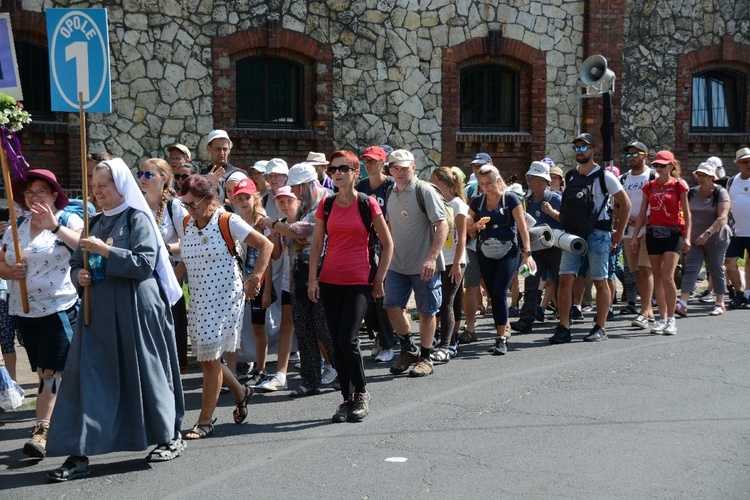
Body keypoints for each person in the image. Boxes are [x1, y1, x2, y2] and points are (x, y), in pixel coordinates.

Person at [45, 158, 184, 481]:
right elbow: (78, 261)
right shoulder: (92, 223)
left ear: (121, 187)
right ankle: (78, 452)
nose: (97, 192)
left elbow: (144, 264)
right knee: (87, 378)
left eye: (103, 186)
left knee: (145, 373)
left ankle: (168, 435)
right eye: (93, 187)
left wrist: (106, 253)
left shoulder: (138, 220)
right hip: (99, 313)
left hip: (137, 309)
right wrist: (78, 274)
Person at [177, 174, 272, 438]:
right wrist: (171, 288)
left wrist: (255, 277)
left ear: (210, 200)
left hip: (225, 296)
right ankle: (241, 392)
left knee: (208, 360)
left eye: (193, 204)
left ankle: (205, 421)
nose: (189, 209)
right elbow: (185, 260)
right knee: (208, 359)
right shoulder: (187, 222)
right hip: (198, 297)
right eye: (185, 204)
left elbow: (265, 244)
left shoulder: (227, 220)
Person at [0, 169, 83, 459]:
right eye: (29, 193)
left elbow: (85, 249)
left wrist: (55, 227)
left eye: (41, 192)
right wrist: (10, 271)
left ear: (53, 195)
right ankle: (61, 418)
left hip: (59, 307)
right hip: (24, 311)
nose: (34, 197)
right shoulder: (15, 226)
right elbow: (1, 261)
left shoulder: (68, 220)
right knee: (42, 370)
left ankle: (42, 430)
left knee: (50, 372)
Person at [309, 150, 393, 422]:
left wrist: (378, 279)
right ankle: (346, 398)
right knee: (336, 343)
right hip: (330, 280)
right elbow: (317, 244)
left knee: (348, 339)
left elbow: (388, 244)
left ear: (356, 173)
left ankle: (362, 393)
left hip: (359, 280)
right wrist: (312, 278)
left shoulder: (367, 204)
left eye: (344, 168)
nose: (337, 173)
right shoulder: (327, 204)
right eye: (333, 169)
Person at [550, 133, 631, 344]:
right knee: (566, 278)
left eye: (584, 147)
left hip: (599, 233)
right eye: (576, 148)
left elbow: (626, 203)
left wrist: (619, 232)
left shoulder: (605, 176)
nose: (579, 151)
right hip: (572, 234)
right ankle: (564, 326)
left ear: (593, 150)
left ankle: (600, 326)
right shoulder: (570, 176)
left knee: (599, 280)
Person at [273, 163, 336, 396]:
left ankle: (342, 372)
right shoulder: (302, 206)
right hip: (297, 274)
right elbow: (288, 241)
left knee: (324, 327)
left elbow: (301, 230)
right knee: (303, 328)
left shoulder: (326, 202)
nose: (295, 193)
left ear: (309, 184)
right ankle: (311, 379)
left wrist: (275, 225)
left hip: (323, 272)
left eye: (298, 188)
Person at [384, 149, 448, 377]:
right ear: (389, 170)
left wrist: (431, 258)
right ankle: (408, 348)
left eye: (404, 167)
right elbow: (390, 226)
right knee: (391, 307)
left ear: (413, 167)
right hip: (397, 264)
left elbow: (442, 225)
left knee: (426, 312)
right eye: (394, 168)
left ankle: (426, 356)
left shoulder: (425, 190)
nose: (399, 172)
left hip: (424, 264)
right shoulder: (391, 190)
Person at [468, 165, 536, 355]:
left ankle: (501, 338)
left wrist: (527, 253)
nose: (485, 187)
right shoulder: (478, 202)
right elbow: (466, 227)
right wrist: (475, 226)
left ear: (498, 181)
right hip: (485, 250)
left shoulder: (510, 198)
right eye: (481, 184)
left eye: (489, 183)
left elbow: (523, 227)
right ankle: (502, 328)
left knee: (498, 292)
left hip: (509, 251)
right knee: (492, 293)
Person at [630, 150, 691, 335]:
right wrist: (634, 237)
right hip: (653, 233)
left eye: (662, 165)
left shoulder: (679, 185)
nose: (658, 168)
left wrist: (687, 237)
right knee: (656, 277)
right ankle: (662, 319)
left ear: (671, 166)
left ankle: (672, 319)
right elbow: (642, 213)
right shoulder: (650, 186)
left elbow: (687, 213)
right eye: (656, 165)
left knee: (667, 277)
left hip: (673, 234)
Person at [139, 158, 189, 370]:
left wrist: (165, 251)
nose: (142, 178)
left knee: (172, 324)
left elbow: (189, 240)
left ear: (164, 179)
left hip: (169, 276)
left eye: (149, 175)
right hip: (143, 277)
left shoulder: (173, 206)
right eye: (140, 174)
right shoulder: (135, 205)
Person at [231, 178, 277, 387]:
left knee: (258, 327)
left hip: (260, 281)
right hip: (238, 281)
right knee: (236, 326)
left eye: (247, 197)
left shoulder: (262, 221)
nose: (243, 201)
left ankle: (261, 369)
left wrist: (267, 290)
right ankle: (235, 370)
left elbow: (272, 257)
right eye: (239, 198)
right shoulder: (233, 220)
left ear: (255, 197)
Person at [256, 159, 296, 392]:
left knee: (316, 325)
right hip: (286, 275)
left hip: (309, 276)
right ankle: (281, 373)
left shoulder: (308, 215)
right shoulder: (264, 202)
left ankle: (330, 365)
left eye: (287, 200)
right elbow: (276, 251)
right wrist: (273, 232)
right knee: (287, 322)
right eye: (269, 176)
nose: (282, 204)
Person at [355, 145, 397, 362]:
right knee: (368, 299)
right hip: (366, 248)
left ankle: (388, 343)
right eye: (366, 161)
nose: (369, 165)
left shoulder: (390, 186)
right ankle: (379, 337)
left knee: (382, 298)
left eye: (373, 161)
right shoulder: (361, 186)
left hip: (388, 248)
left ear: (383, 163)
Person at [510, 161, 562, 335]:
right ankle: (526, 319)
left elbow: (568, 221)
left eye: (533, 177)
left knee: (560, 282)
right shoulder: (527, 200)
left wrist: (553, 213)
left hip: (555, 248)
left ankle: (565, 317)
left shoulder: (554, 198)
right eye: (529, 177)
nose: (530, 180)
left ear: (543, 180)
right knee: (531, 283)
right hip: (535, 250)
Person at [676, 162, 730, 317]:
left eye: (704, 175)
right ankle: (683, 303)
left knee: (715, 268)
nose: (700, 178)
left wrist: (707, 234)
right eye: (699, 174)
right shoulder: (691, 193)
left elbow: (722, 217)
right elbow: (683, 212)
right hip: (695, 239)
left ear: (712, 177)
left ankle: (720, 302)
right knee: (691, 268)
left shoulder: (720, 192)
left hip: (716, 238)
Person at [430, 166, 468, 361]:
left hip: (455, 261)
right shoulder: (439, 203)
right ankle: (450, 339)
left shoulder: (458, 205)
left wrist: (456, 264)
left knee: (446, 303)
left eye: (432, 180)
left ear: (440, 182)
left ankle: (448, 345)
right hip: (440, 261)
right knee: (447, 302)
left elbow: (461, 237)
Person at [618, 140, 656, 329]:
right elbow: (615, 205)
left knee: (645, 269)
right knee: (636, 272)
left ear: (645, 156)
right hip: (629, 230)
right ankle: (646, 307)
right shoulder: (623, 178)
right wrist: (625, 218)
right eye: (629, 155)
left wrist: (647, 219)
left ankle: (645, 310)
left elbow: (658, 201)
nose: (631, 158)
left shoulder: (652, 175)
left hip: (649, 230)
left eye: (635, 154)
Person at [460, 152, 493, 344]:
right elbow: (464, 218)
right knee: (471, 286)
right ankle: (470, 328)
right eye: (474, 166)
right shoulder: (470, 190)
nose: (476, 169)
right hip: (473, 246)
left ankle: (501, 328)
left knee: (496, 287)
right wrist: (472, 229)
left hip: (497, 248)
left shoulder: (506, 194)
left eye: (480, 166)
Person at [726, 148, 750, 309]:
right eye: (745, 162)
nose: (749, 165)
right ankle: (739, 292)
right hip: (735, 230)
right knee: (729, 262)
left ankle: (748, 293)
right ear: (737, 165)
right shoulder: (731, 181)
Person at [204, 129, 247, 209]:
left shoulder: (240, 174)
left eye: (225, 149)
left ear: (229, 150)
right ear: (209, 149)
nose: (222, 153)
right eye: (218, 149)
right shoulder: (201, 176)